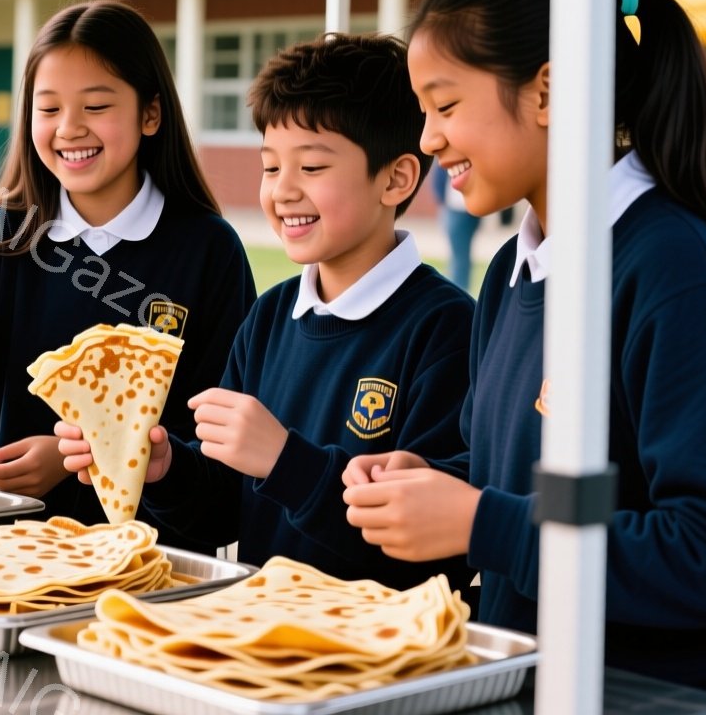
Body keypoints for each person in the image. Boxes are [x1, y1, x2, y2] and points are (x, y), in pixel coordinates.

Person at [339, 0, 706, 698]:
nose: (427, 140)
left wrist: (482, 523)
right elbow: (528, 480)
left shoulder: (677, 271)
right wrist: (437, 483)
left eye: (447, 106)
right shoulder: (511, 272)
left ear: (550, 90)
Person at [57, 34, 474, 586]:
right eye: (271, 168)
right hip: (261, 643)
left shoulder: (447, 329)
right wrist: (160, 471)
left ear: (395, 178)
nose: (283, 192)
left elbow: (433, 550)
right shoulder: (270, 316)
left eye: (313, 168)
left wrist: (286, 462)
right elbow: (224, 510)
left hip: (383, 654)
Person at [0, 0, 255, 545]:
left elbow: (218, 464)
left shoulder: (209, 251)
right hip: (20, 561)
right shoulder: (4, 236)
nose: (69, 129)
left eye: (95, 106)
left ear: (150, 114)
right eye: (48, 110)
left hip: (157, 568)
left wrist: (76, 465)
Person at [429, 161, 480, 291]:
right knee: (459, 256)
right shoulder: (449, 164)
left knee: (460, 256)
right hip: (454, 209)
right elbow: (438, 182)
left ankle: (459, 290)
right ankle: (459, 289)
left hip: (463, 211)